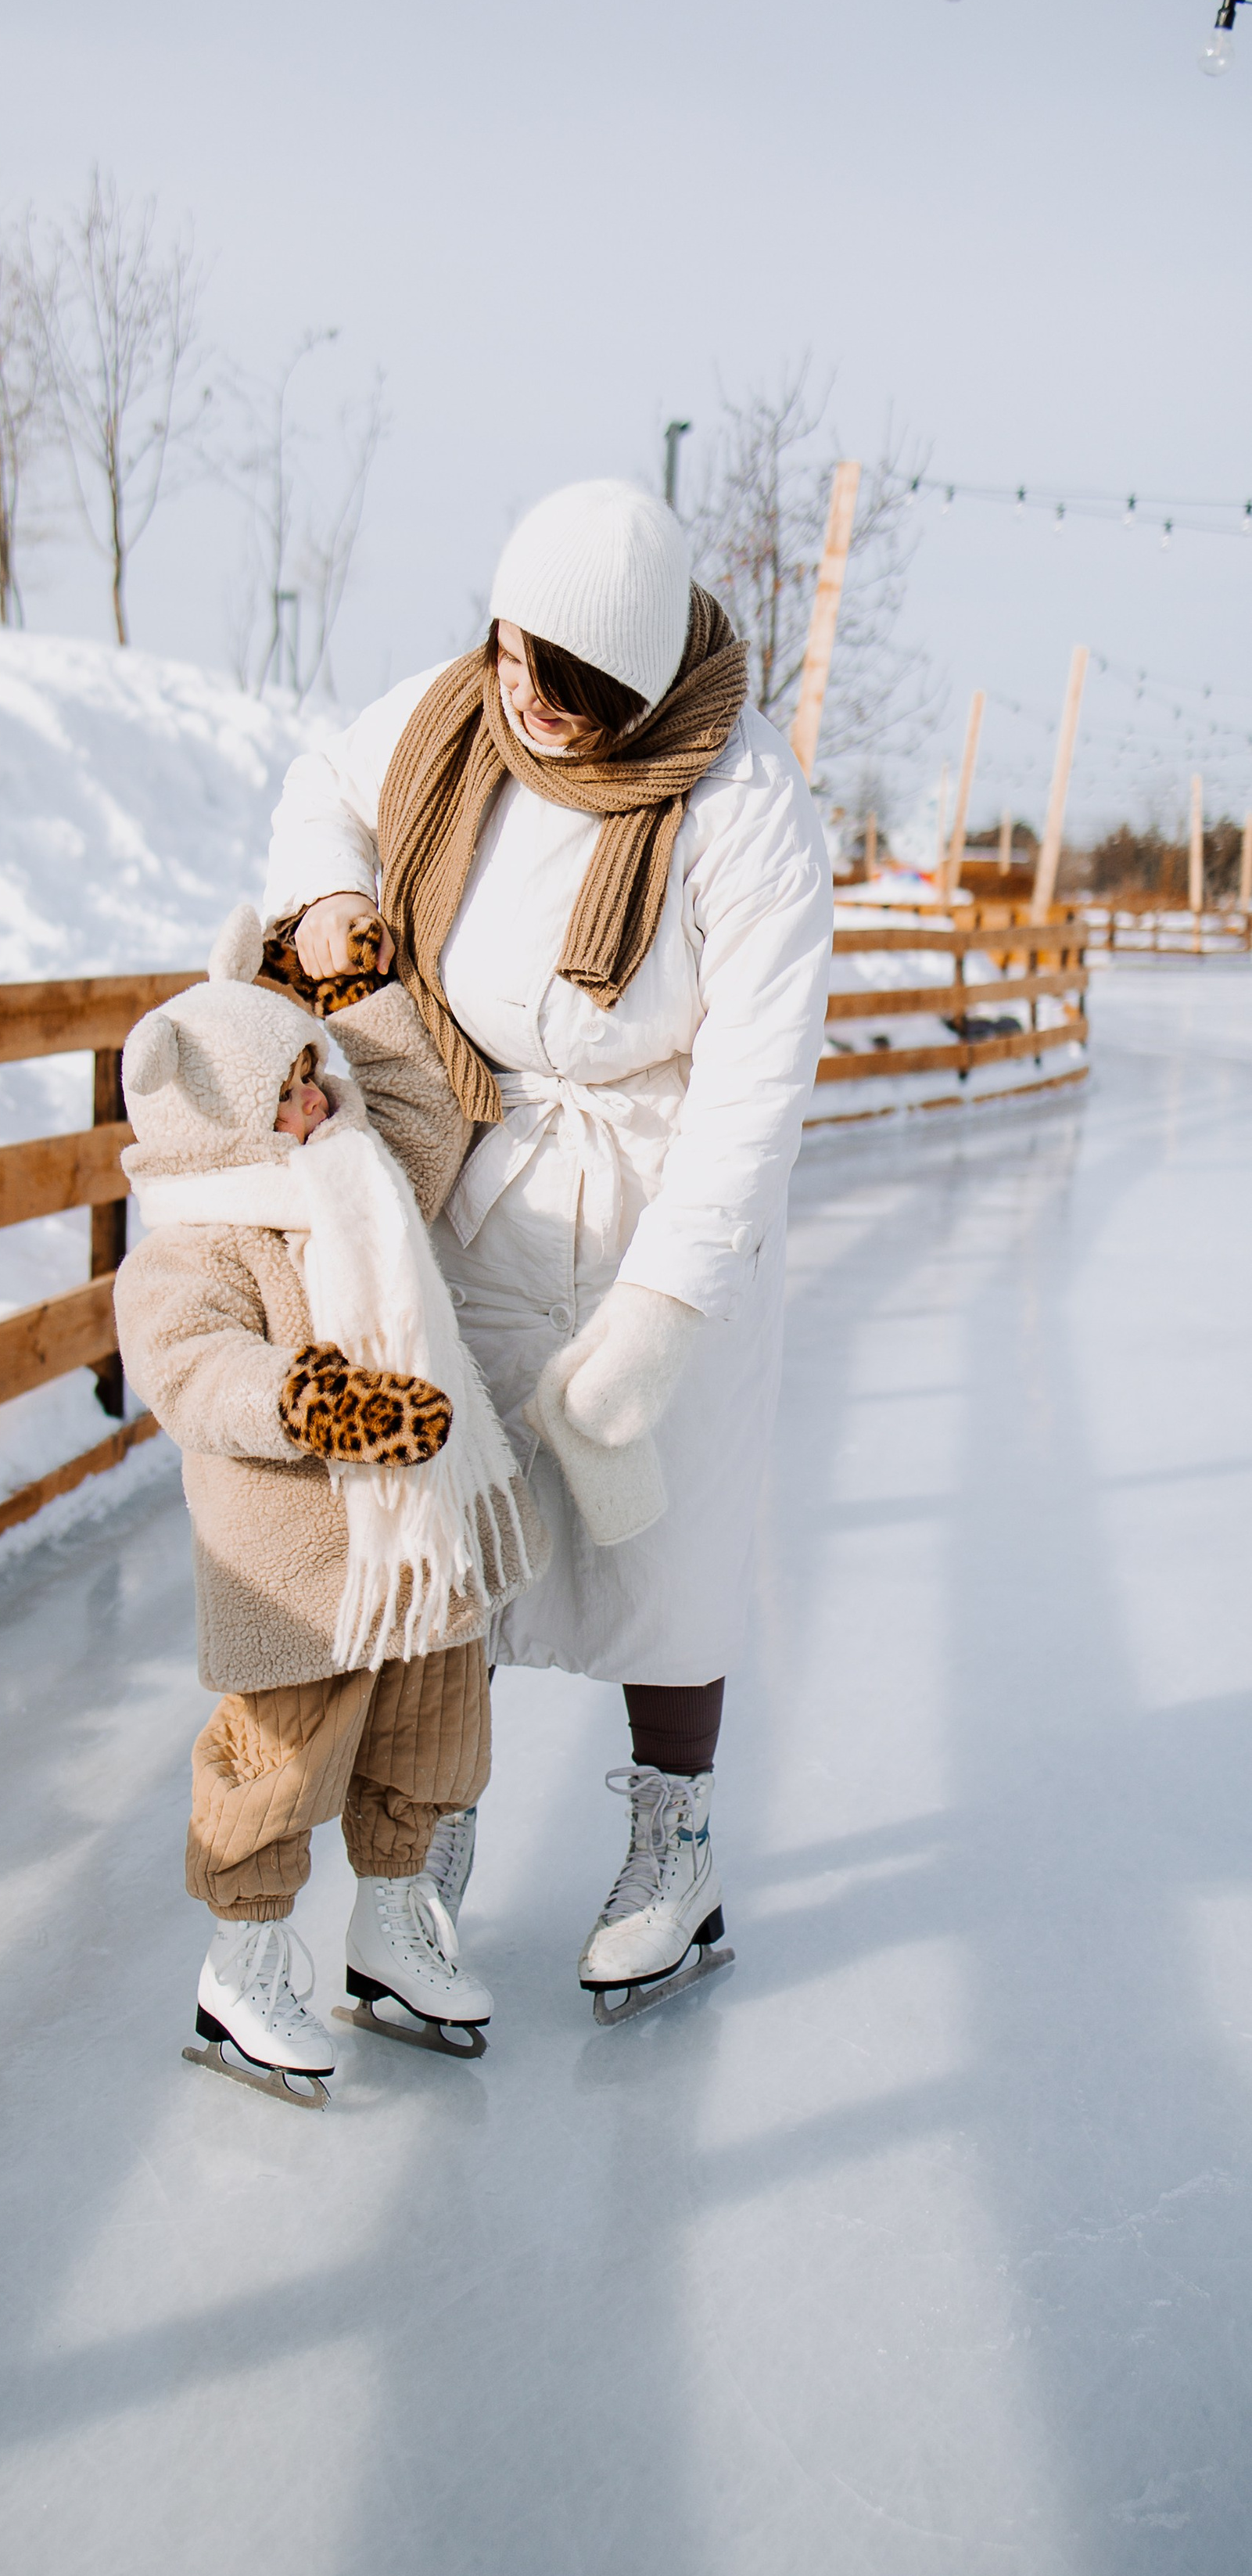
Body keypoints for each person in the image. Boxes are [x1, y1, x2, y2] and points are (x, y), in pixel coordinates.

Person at [264, 479, 834, 2017]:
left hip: (660, 1211)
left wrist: (655, 1316)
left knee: (658, 1543)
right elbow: (323, 785)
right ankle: (422, 1837)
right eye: (514, 660)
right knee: (459, 1539)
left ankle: (676, 1844)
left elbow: (753, 1091)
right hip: (479, 1175)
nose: (529, 706)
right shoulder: (461, 713)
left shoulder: (740, 803)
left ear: (638, 691)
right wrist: (325, 900)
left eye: (570, 693)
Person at [113, 904, 548, 2104]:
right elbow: (192, 1370)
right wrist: (311, 1404)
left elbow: (413, 1096)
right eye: (286, 1094)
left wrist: (358, 989)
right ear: (214, 1125)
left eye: (315, 1075)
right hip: (294, 1562)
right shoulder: (195, 1245)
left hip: (415, 1539)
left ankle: (393, 1931)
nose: (318, 1104)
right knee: (280, 1757)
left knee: (434, 1730)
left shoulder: (359, 1175)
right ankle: (242, 1966)